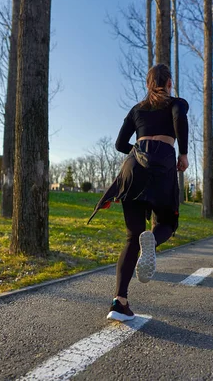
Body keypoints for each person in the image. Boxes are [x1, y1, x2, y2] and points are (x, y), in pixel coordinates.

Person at [87, 64, 189, 322]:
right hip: (162, 167)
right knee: (167, 222)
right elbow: (179, 119)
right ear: (169, 84)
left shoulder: (136, 109)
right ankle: (152, 241)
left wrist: (140, 150)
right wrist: (183, 153)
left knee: (132, 236)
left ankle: (119, 302)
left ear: (147, 84)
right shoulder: (177, 103)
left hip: (133, 169)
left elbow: (121, 144)